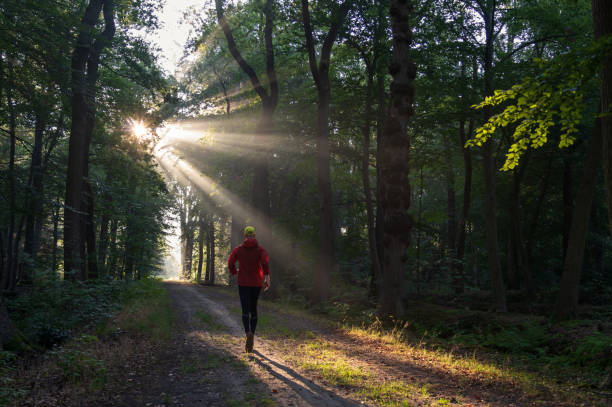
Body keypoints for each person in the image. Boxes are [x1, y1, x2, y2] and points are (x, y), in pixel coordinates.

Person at [228, 226, 270, 353]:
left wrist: (234, 272)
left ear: (245, 236)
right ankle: (253, 334)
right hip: (256, 283)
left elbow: (230, 262)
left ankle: (248, 333)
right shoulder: (260, 250)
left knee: (245, 310)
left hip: (243, 283)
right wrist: (267, 277)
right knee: (254, 309)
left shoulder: (238, 249)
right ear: (255, 236)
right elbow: (265, 263)